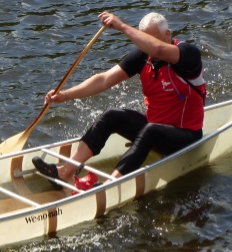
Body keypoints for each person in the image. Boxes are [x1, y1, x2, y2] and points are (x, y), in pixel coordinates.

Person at [32, 11, 206, 190]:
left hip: (186, 137)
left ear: (167, 34)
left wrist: (121, 26)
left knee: (151, 130)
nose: (147, 47)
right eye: (143, 40)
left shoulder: (188, 55)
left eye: (151, 40)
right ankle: (64, 172)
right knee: (112, 115)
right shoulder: (143, 56)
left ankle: (109, 185)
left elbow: (159, 49)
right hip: (155, 131)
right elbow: (104, 79)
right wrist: (65, 95)